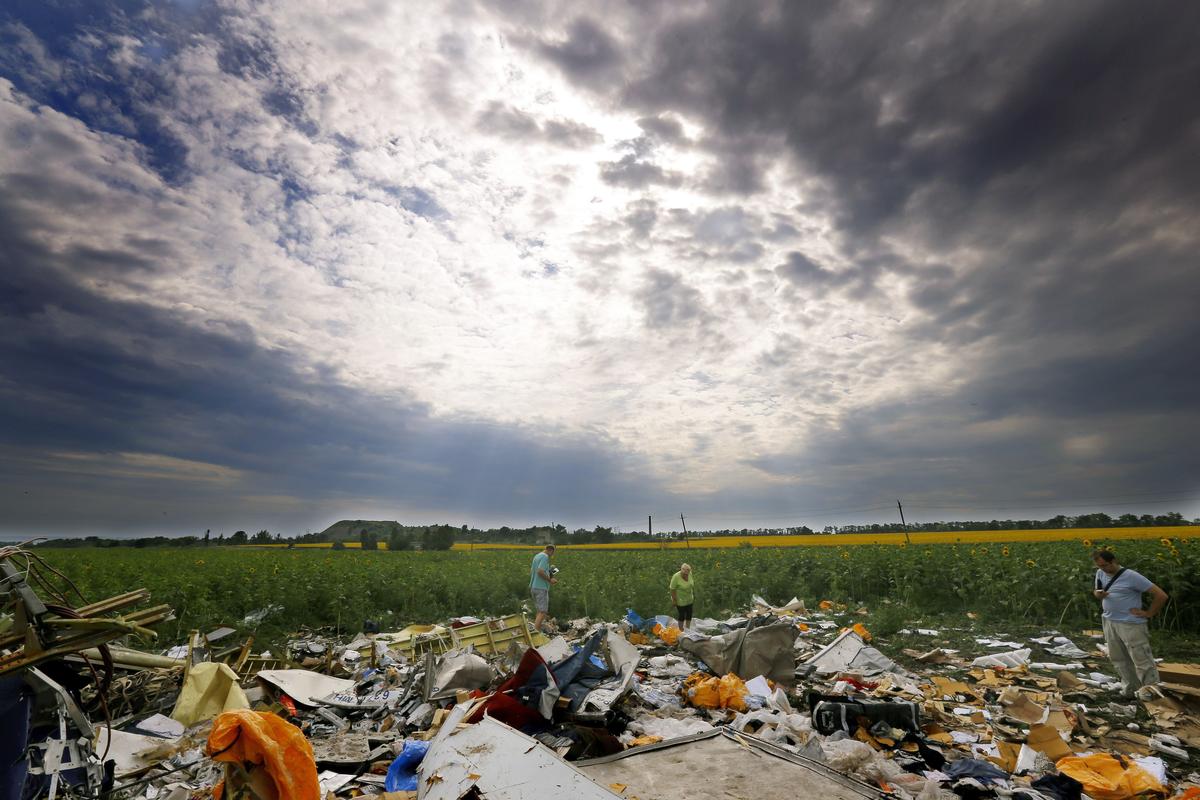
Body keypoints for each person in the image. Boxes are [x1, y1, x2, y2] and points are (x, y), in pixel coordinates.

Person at [1092, 549, 1168, 699]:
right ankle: (1130, 690)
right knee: (1119, 658)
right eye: (1100, 566)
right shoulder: (1100, 573)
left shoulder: (1131, 576)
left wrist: (1149, 613)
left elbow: (1161, 595)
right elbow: (1096, 591)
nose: (1104, 569)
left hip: (1130, 624)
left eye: (1106, 565)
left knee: (1141, 659)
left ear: (1114, 561)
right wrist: (1098, 594)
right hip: (1109, 621)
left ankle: (1150, 694)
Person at [529, 544, 557, 633]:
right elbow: (540, 571)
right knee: (543, 612)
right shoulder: (545, 557)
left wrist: (550, 571)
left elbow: (536, 570)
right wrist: (550, 580)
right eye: (553, 553)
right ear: (551, 550)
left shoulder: (537, 556)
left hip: (534, 586)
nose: (552, 555)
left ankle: (536, 630)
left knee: (539, 611)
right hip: (541, 587)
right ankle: (535, 633)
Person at [669, 563, 694, 629]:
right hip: (680, 599)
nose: (686, 575)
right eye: (684, 573)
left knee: (689, 614)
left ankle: (688, 628)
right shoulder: (676, 577)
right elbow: (672, 589)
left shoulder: (690, 573)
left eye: (687, 574)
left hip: (689, 598)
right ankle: (681, 629)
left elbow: (691, 584)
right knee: (682, 615)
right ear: (681, 571)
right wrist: (674, 600)